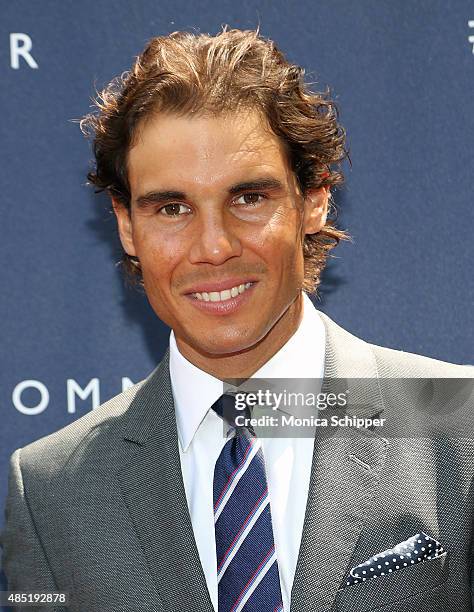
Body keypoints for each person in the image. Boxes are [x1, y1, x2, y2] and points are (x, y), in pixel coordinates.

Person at [1, 28, 473, 612]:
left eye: (248, 199)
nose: (214, 247)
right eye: (172, 209)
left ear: (314, 199)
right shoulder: (51, 490)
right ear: (127, 226)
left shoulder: (461, 425)